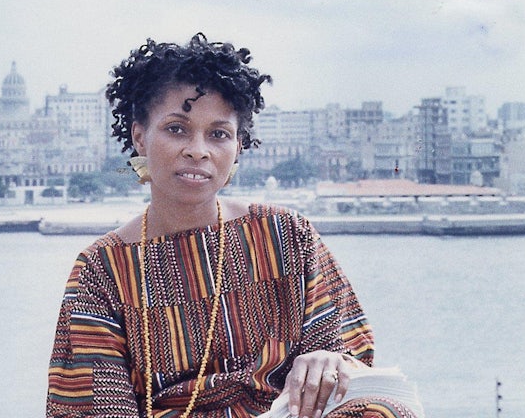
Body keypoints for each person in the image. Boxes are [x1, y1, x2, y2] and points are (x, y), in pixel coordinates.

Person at [46, 33, 420, 418]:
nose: (198, 150)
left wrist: (328, 361)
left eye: (218, 134)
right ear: (140, 137)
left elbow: (347, 361)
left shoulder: (286, 236)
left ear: (238, 146)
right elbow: (96, 407)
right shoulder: (103, 270)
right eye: (177, 129)